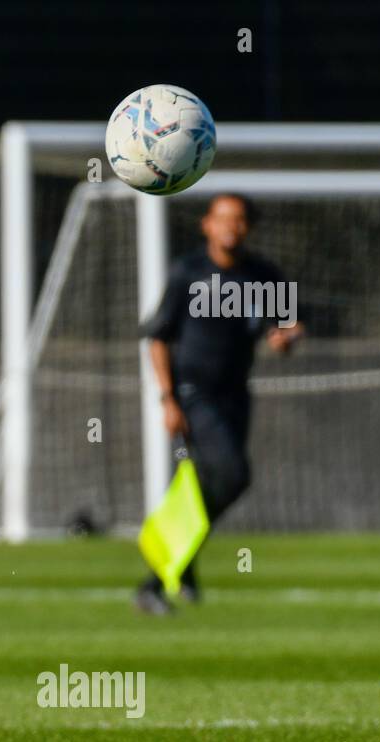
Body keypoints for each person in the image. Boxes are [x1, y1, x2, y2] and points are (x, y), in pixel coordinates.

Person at [135, 192, 303, 614]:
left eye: (240, 219)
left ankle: (179, 559)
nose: (231, 226)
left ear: (248, 226)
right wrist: (167, 398)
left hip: (235, 394)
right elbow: (158, 336)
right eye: (222, 218)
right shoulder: (188, 273)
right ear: (206, 224)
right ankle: (156, 576)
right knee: (233, 473)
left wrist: (287, 337)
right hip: (193, 392)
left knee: (217, 483)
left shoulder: (262, 274)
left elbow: (286, 326)